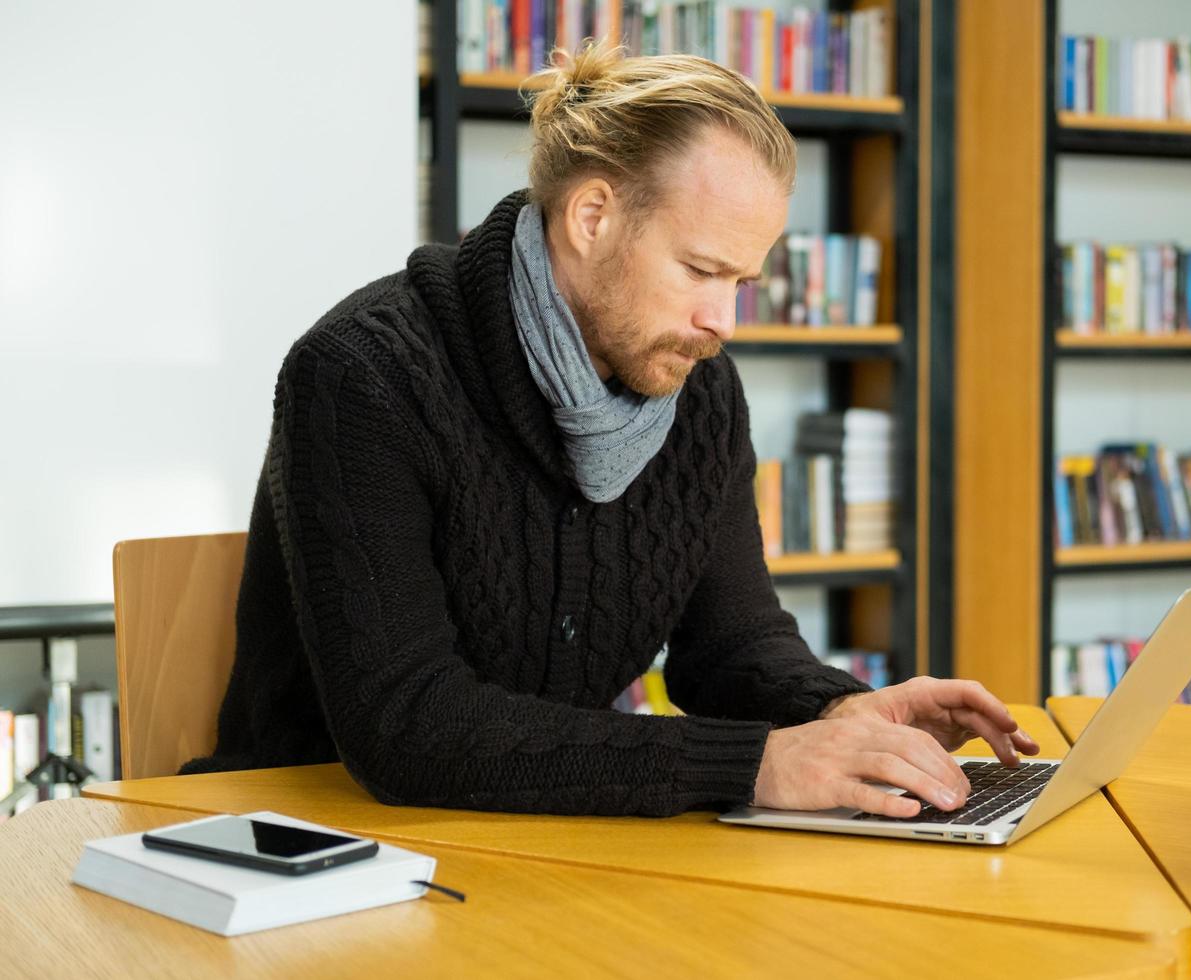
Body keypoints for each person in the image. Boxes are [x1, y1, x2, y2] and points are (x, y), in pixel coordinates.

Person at [182, 40, 1039, 818]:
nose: (723, 322)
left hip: (549, 839)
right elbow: (410, 726)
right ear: (592, 217)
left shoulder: (700, 393)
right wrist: (756, 766)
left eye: (741, 280)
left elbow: (730, 645)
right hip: (314, 844)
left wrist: (834, 712)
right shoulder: (364, 373)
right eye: (703, 270)